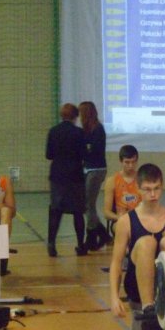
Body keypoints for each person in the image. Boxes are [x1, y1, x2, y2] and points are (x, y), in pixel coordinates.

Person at [109, 163, 165, 317]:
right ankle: (148, 307)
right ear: (138, 188)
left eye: (157, 188)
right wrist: (114, 297)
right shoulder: (126, 221)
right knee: (147, 242)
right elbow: (116, 262)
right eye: (147, 189)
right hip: (136, 285)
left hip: (164, 286)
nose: (153, 194)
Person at [45, 103, 87, 257]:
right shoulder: (79, 133)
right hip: (75, 176)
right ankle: (80, 245)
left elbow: (48, 155)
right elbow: (84, 154)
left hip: (57, 176)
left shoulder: (53, 131)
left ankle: (51, 243)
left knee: (56, 210)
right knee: (78, 212)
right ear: (75, 117)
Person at [79, 101, 110, 251]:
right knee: (87, 204)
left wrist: (85, 149)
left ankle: (91, 237)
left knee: (88, 204)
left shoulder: (98, 129)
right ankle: (103, 234)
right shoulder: (86, 130)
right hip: (88, 168)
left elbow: (94, 150)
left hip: (96, 169)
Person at [103, 145, 141, 234]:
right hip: (120, 220)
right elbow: (106, 212)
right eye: (127, 162)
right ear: (121, 161)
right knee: (125, 228)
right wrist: (120, 217)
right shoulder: (112, 181)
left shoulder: (143, 179)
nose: (131, 166)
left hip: (141, 218)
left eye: (133, 162)